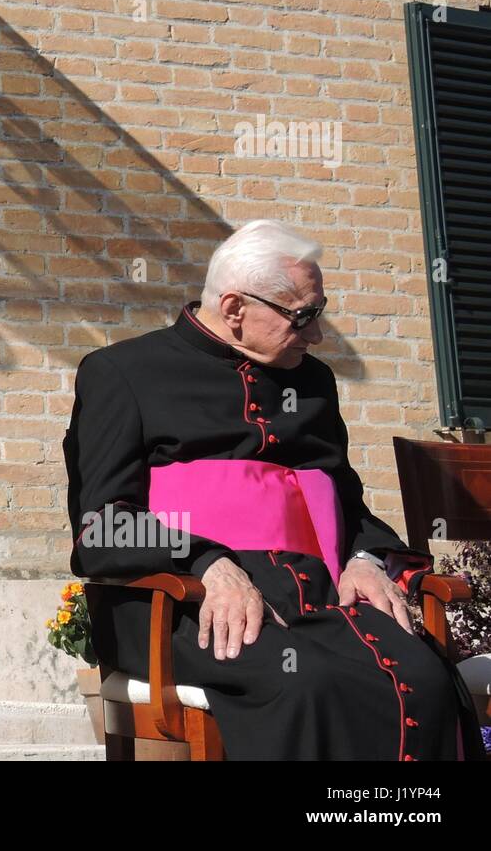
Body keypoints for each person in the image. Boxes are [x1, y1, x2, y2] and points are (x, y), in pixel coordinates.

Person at [65, 219, 486, 760]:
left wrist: (364, 558)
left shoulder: (313, 382)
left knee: (426, 681)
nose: (316, 335)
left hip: (317, 590)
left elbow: (343, 496)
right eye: (302, 317)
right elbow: (102, 526)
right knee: (305, 684)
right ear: (235, 308)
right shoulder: (122, 372)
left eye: (320, 312)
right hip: (184, 600)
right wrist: (206, 561)